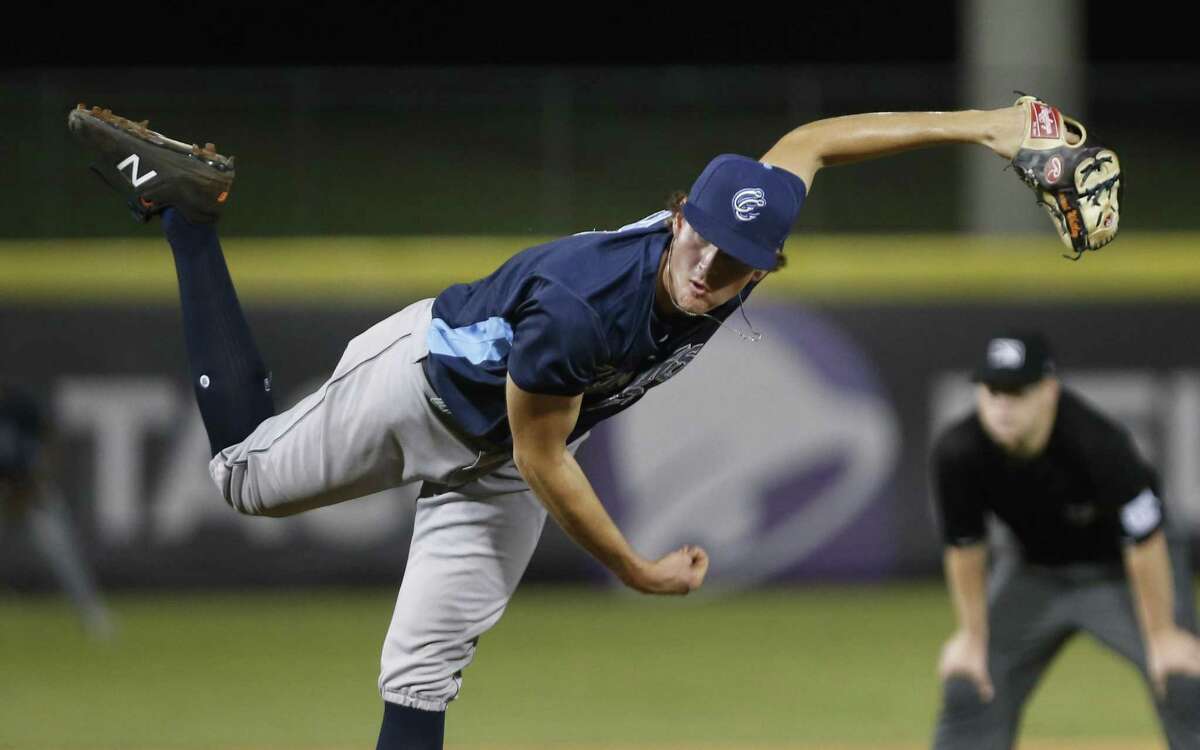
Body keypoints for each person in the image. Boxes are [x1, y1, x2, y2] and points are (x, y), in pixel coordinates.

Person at [70, 97, 1039, 749]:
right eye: (701, 240)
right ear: (676, 216)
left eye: (739, 259)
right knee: (243, 480)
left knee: (423, 671)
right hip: (431, 391)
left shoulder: (738, 235)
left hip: (512, 452)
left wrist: (987, 125)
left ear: (767, 262)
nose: (709, 269)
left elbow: (817, 142)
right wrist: (635, 568)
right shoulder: (588, 309)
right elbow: (544, 460)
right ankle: (189, 216)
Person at [930, 331, 1200, 749]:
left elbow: (1145, 542)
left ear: (1049, 391)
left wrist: (1163, 635)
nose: (1002, 406)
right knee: (972, 676)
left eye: (1017, 392)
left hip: (1122, 573)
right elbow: (965, 547)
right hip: (1034, 573)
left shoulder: (1099, 444)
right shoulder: (959, 452)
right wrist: (971, 634)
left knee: (1182, 676)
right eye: (992, 391)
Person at [0, 382, 115, 639]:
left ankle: (92, 614)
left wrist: (31, 485)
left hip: (31, 492)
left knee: (62, 553)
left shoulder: (18, 406)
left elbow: (47, 443)